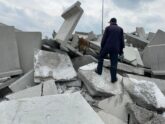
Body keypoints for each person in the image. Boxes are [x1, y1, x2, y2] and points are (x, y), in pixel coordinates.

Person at [95, 18, 124, 83]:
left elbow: (104, 39)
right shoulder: (120, 29)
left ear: (111, 22)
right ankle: (113, 78)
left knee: (100, 57)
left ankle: (99, 71)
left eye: (109, 22)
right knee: (114, 63)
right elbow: (122, 42)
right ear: (116, 22)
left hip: (107, 47)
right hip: (116, 48)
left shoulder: (108, 28)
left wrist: (102, 48)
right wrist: (121, 51)